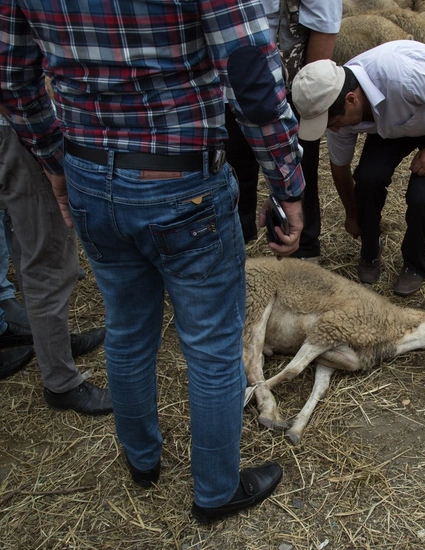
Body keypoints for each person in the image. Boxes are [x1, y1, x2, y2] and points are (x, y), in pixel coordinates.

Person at [0, 0, 304, 523]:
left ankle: (143, 461)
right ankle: (215, 490)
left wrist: (55, 160)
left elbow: (12, 77)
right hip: (181, 181)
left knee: (127, 327)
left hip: (90, 174)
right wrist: (287, 184)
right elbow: (251, 71)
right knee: (209, 346)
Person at [291, 41, 425, 296]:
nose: (335, 130)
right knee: (367, 179)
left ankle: (416, 264)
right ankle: (370, 248)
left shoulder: (404, 76)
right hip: (391, 125)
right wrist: (352, 214)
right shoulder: (337, 104)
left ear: (352, 100)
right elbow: (339, 166)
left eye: (335, 123)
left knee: (421, 197)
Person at [0, 117, 108, 409]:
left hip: (16, 130)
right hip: (19, 131)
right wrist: (49, 151)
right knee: (48, 261)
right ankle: (61, 382)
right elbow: (16, 84)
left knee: (28, 245)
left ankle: (52, 343)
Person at [226, 0, 341, 256]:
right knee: (235, 165)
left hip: (289, 82)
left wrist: (309, 92)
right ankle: (237, 244)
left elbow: (325, 23)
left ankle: (303, 249)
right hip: (233, 78)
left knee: (299, 165)